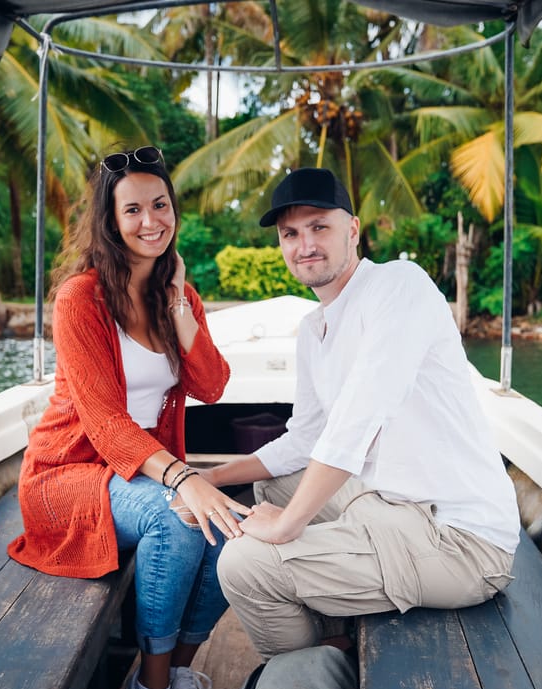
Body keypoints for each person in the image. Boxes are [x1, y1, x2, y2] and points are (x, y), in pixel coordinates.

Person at [202, 166, 521, 661]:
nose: (305, 244)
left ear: (352, 230)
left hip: (457, 537)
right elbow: (305, 440)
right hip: (386, 502)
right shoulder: (315, 329)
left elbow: (358, 418)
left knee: (244, 565)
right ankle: (327, 635)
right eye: (291, 233)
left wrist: (287, 527)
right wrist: (213, 476)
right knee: (273, 486)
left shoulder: (399, 285)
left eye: (319, 227)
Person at [7, 145, 251, 689]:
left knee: (232, 530)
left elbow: (212, 385)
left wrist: (178, 304)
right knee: (182, 522)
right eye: (133, 209)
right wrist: (180, 479)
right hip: (67, 477)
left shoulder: (177, 294)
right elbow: (105, 421)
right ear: (111, 221)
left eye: (160, 205)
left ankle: (177, 674)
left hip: (140, 475)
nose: (151, 221)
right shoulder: (81, 299)